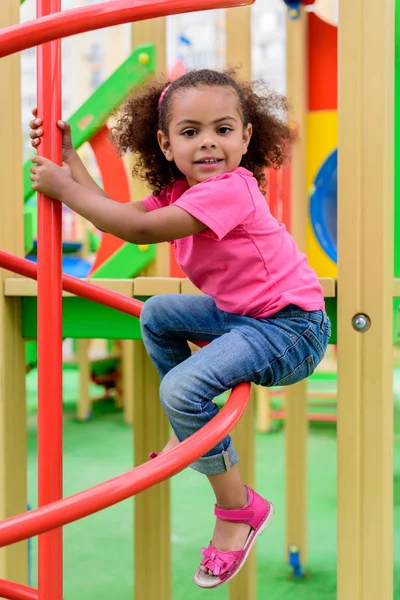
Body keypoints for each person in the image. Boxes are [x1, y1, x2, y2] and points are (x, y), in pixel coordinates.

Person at [29, 68, 331, 588]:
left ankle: (238, 509)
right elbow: (116, 213)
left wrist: (61, 186)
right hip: (247, 317)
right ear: (166, 145)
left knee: (182, 385)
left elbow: (138, 231)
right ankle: (189, 422)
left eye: (222, 128)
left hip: (290, 330)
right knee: (158, 314)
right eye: (191, 132)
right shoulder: (178, 192)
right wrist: (71, 159)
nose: (208, 142)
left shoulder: (231, 189)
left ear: (246, 137)